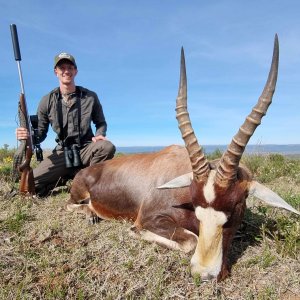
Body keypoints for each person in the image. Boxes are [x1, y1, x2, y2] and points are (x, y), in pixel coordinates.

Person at [16, 52, 116, 196]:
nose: (66, 71)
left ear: (76, 71)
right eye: (62, 68)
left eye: (70, 67)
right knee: (31, 184)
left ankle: (88, 184)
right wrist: (27, 136)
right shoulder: (46, 100)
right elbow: (41, 134)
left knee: (106, 147)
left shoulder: (90, 96)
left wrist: (100, 134)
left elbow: (100, 122)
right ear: (56, 72)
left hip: (85, 149)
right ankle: (64, 178)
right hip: (62, 152)